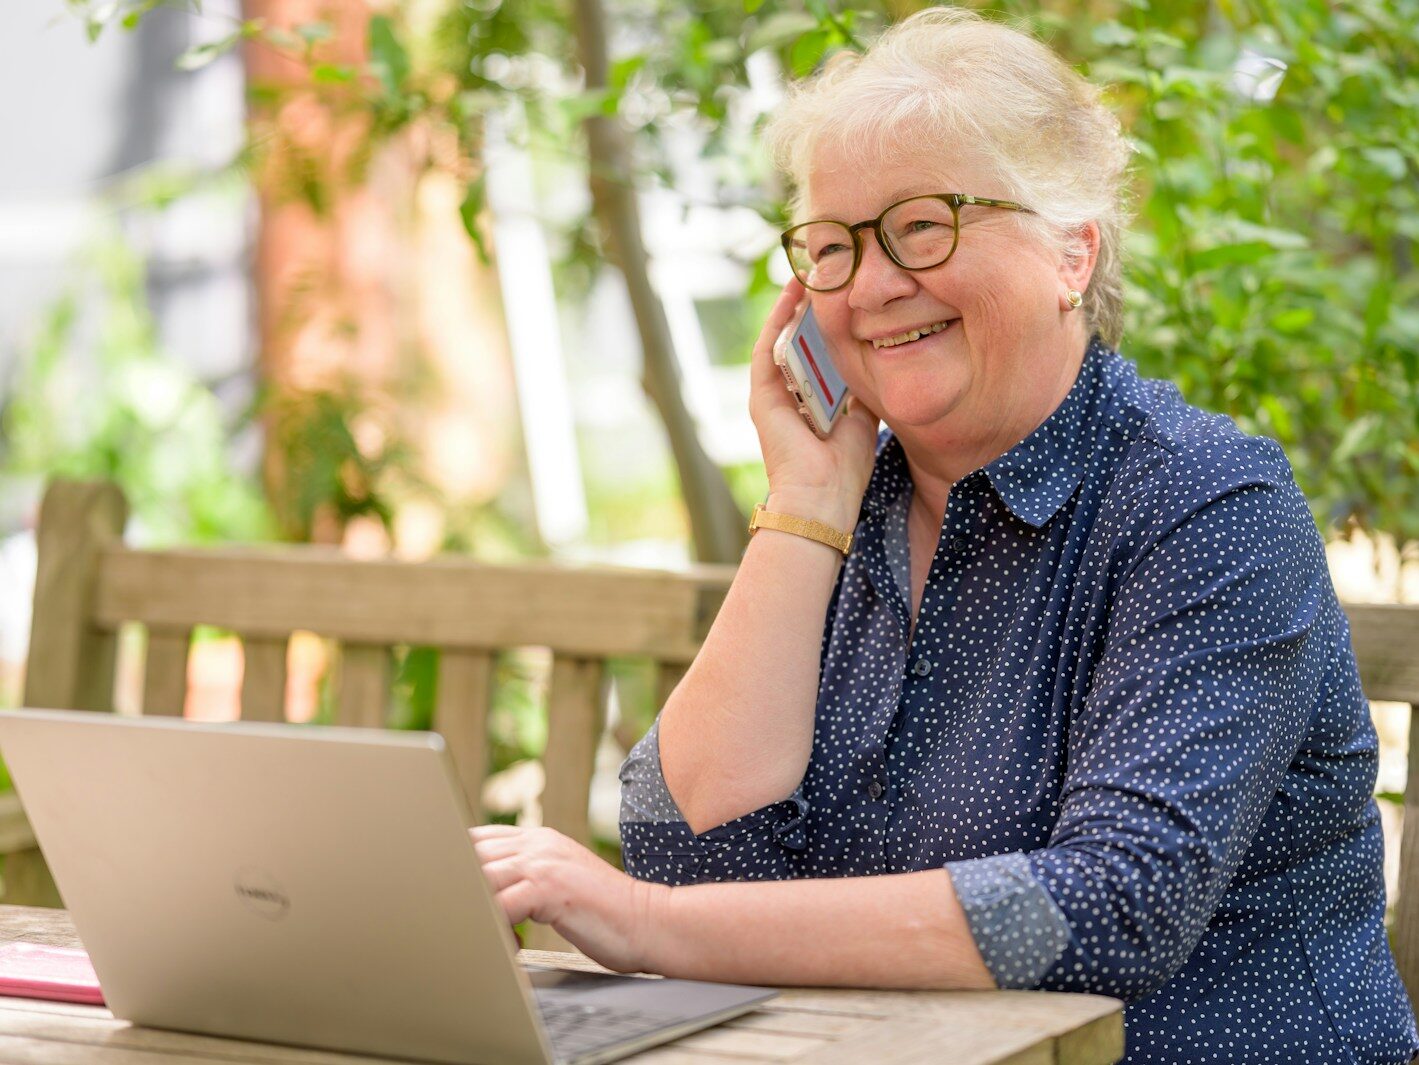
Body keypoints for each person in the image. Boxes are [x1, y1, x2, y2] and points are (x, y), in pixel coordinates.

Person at [470, 8, 1419, 1062]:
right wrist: (807, 506)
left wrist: (643, 929)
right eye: (831, 248)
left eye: (923, 226)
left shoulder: (1207, 506)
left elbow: (1114, 905)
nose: (874, 285)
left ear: (1072, 252)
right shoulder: (847, 516)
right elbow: (688, 850)